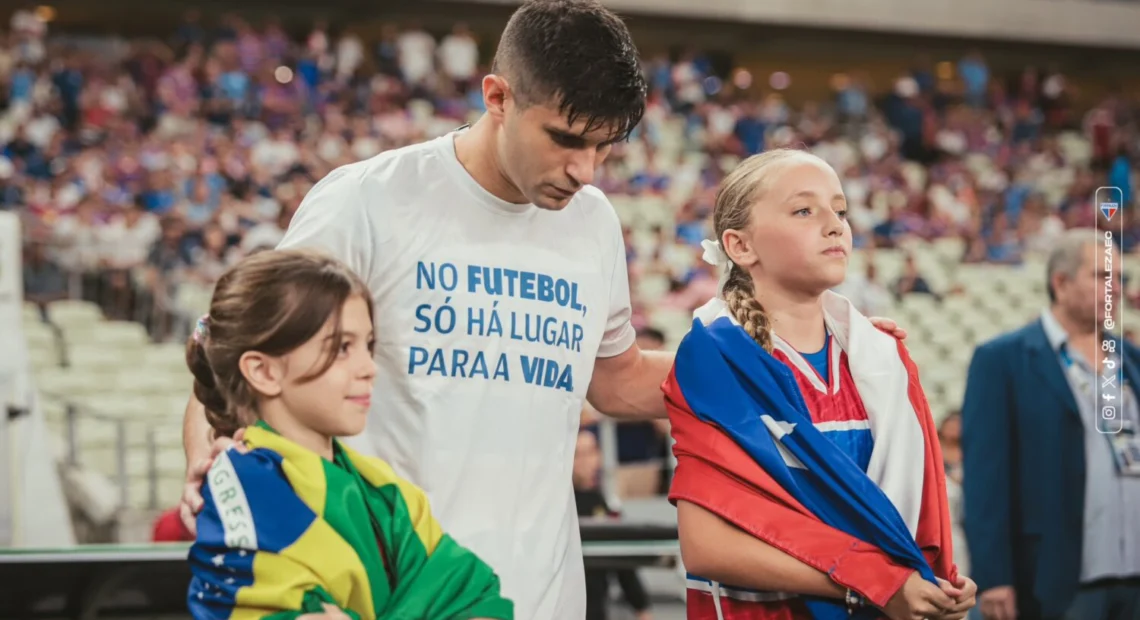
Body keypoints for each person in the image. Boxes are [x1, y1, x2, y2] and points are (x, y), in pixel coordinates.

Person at [179, 2, 905, 617]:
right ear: (498, 98)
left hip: (546, 594)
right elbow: (237, 349)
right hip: (398, 590)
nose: (584, 171)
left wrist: (798, 360)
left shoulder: (592, 222)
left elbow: (616, 379)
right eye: (564, 139)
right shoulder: (368, 200)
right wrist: (207, 459)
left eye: (604, 148)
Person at [664, 149, 976, 619]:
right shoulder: (714, 360)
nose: (835, 226)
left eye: (841, 210)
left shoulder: (885, 358)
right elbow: (709, 546)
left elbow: (918, 513)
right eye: (804, 211)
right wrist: (870, 583)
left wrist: (936, 584)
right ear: (740, 246)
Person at [184, 249, 512, 620]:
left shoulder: (388, 491)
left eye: (368, 345)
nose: (369, 368)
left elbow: (479, 599)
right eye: (342, 348)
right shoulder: (240, 491)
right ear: (263, 372)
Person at [962, 228, 1140, 620]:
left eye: (1119, 278)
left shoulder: (1131, 359)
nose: (1115, 288)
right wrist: (993, 575)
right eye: (1101, 276)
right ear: (1060, 283)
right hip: (1056, 579)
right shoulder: (1003, 360)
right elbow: (985, 479)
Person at [573, 429, 653, 620]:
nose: (585, 461)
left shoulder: (606, 504)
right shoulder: (560, 507)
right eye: (578, 455)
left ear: (598, 456)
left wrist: (641, 607)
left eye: (590, 452)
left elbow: (622, 560)